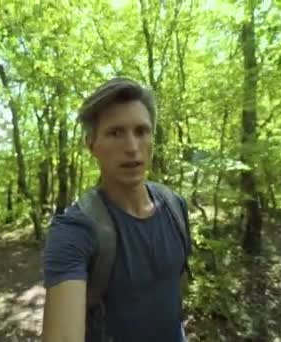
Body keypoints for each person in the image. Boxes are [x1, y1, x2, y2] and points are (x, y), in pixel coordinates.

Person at [41, 77, 192, 342]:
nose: (132, 147)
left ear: (152, 139)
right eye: (115, 133)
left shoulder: (174, 206)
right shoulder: (74, 232)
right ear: (91, 145)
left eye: (142, 131)